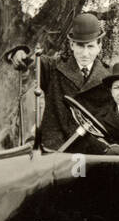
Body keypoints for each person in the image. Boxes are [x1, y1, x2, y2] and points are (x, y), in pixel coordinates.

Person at [39, 12, 112, 150]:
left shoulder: (110, 77)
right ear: (72, 45)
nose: (85, 53)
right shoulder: (53, 68)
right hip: (55, 148)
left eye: (90, 46)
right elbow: (31, 60)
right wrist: (19, 52)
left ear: (99, 46)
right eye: (80, 46)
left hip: (92, 150)